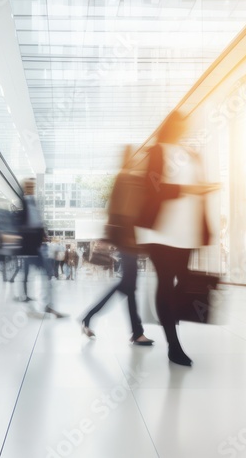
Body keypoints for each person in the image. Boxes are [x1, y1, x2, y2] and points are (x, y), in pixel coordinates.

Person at [136, 112, 219, 366]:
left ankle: (167, 316)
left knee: (183, 283)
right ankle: (174, 344)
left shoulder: (192, 154)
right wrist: (187, 189)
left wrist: (206, 226)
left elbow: (198, 190)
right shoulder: (157, 152)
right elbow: (153, 188)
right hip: (161, 232)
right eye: (181, 124)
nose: (185, 129)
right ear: (171, 125)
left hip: (188, 232)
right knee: (166, 282)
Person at [82, 145, 154, 345]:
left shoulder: (128, 178)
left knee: (129, 288)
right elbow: (118, 210)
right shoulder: (125, 178)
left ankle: (135, 331)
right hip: (127, 240)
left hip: (129, 240)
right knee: (127, 286)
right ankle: (91, 317)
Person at [18, 178, 66, 318]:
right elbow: (24, 224)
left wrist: (43, 234)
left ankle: (48, 305)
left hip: (38, 247)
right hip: (29, 248)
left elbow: (37, 223)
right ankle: (27, 299)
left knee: (48, 274)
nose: (31, 187)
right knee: (27, 275)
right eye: (28, 185)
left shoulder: (33, 202)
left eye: (32, 185)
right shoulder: (23, 203)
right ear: (24, 188)